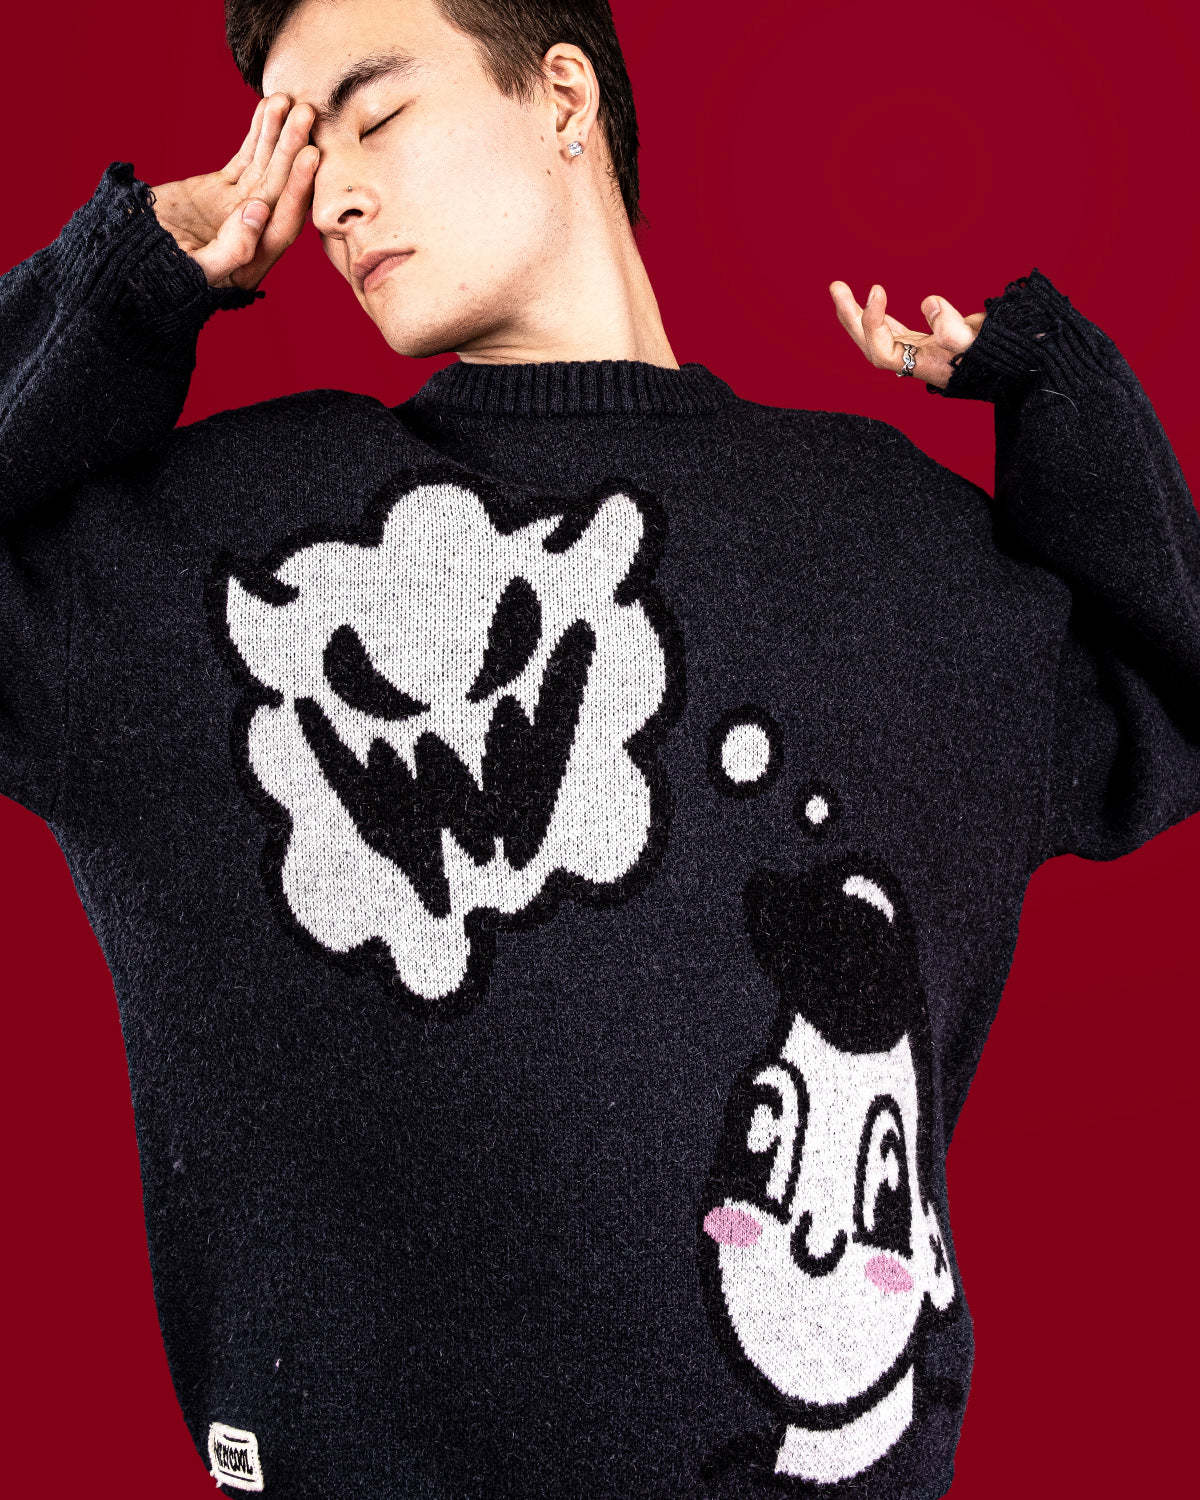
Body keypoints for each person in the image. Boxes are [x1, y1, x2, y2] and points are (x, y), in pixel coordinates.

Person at [2, 2, 1196, 1497]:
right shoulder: (222, 552)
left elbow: (1165, 698)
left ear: (562, 96)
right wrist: (122, 283)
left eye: (371, 116)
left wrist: (1052, 383)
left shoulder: (892, 546)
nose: (329, 193)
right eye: (291, 149)